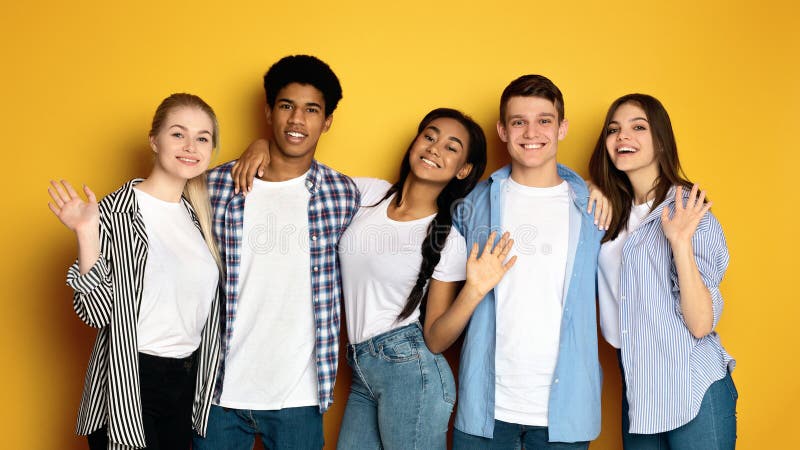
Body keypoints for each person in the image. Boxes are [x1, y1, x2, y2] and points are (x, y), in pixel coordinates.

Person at [235, 106, 516, 449]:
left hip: (412, 372)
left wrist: (473, 291)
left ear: (464, 169)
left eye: (451, 148)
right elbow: (299, 177)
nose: (434, 148)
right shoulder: (368, 194)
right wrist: (263, 145)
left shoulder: (447, 239)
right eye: (429, 136)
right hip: (362, 369)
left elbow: (436, 340)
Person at [191, 55, 360, 450]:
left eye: (311, 110)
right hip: (218, 392)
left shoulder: (344, 193)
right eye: (286, 106)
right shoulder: (214, 187)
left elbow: (406, 205)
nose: (297, 120)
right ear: (269, 111)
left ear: (327, 121)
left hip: (299, 397)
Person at [47, 93, 223, 450]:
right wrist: (86, 233)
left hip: (185, 382)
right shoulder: (112, 212)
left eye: (202, 138)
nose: (191, 146)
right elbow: (96, 313)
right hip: (128, 380)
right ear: (154, 140)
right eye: (178, 134)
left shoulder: (199, 219)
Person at [452, 75, 607, 449]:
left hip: (565, 414)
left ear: (562, 128)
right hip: (484, 410)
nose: (531, 132)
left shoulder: (594, 206)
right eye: (519, 121)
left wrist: (601, 186)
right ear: (502, 131)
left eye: (544, 120)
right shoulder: (471, 204)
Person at [590, 93, 736, 449]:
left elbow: (701, 324)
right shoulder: (609, 212)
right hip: (638, 387)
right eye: (614, 129)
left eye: (638, 127)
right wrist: (590, 187)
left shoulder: (689, 211)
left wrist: (680, 243)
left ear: (660, 140)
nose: (623, 136)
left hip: (690, 385)